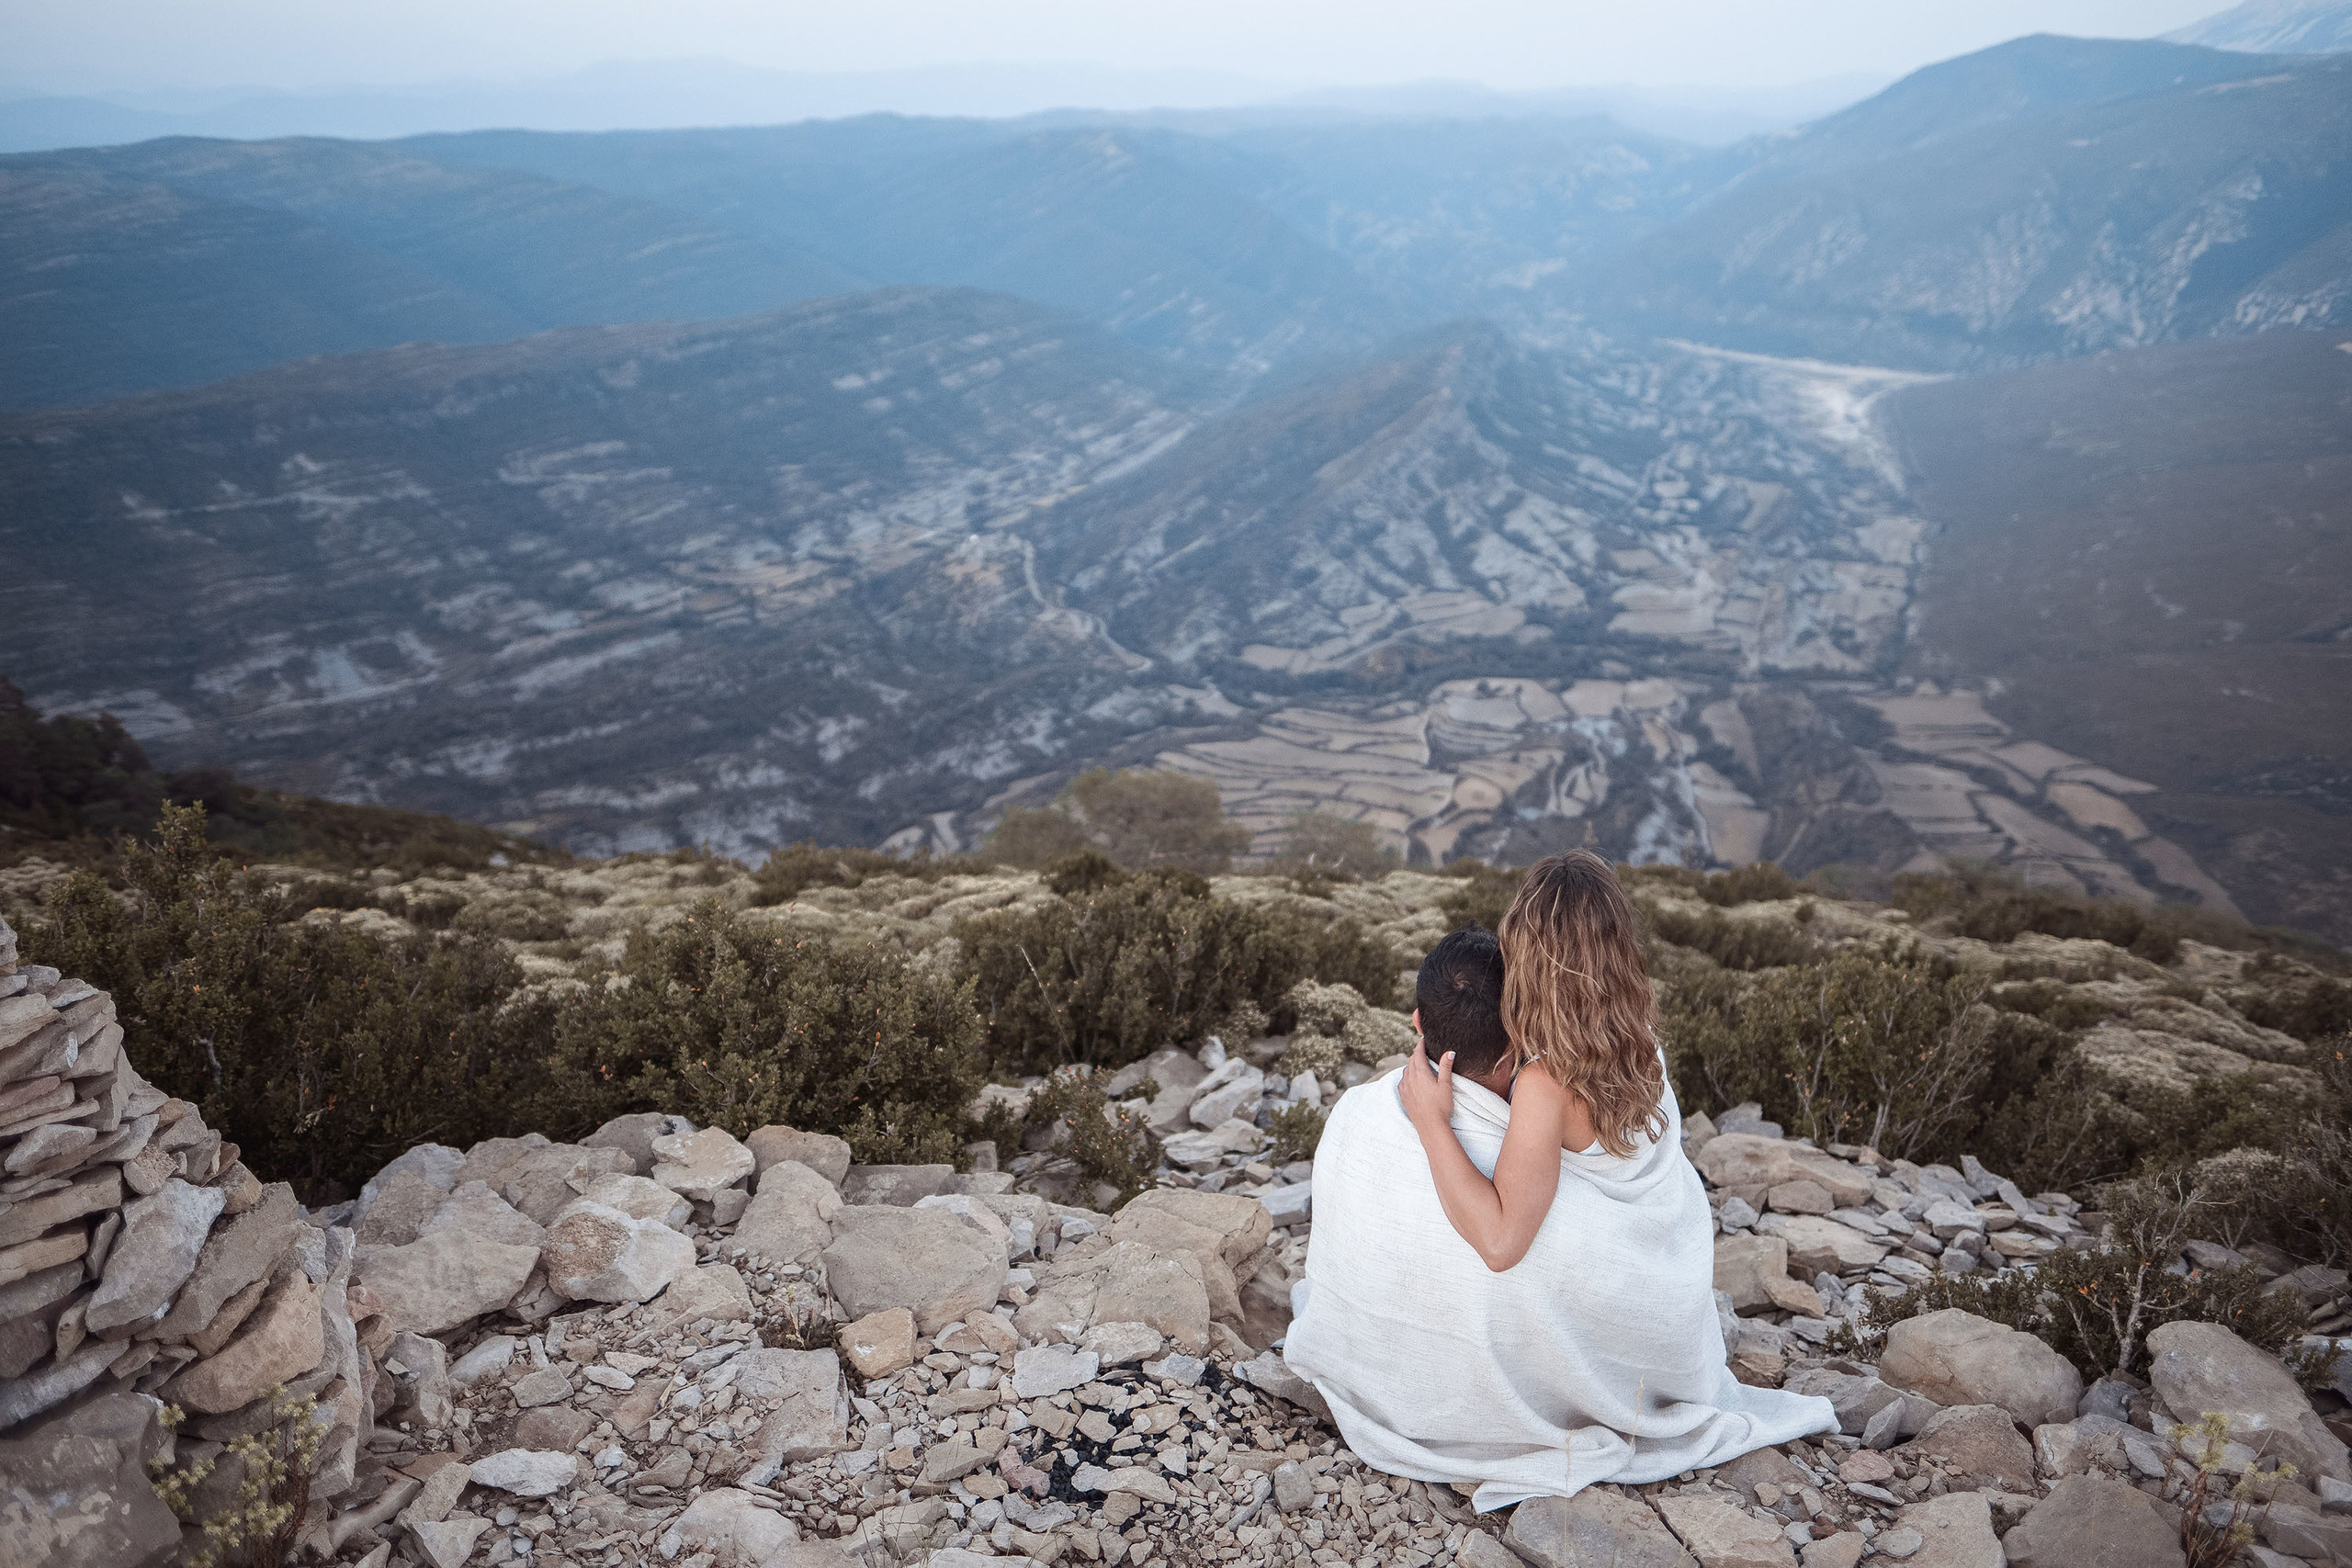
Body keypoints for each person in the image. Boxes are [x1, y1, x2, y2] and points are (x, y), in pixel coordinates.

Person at [1282, 852, 1833, 1509]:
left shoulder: (1546, 1080)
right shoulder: (1637, 1036)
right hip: (1669, 1289)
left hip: (1623, 1319)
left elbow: (1502, 1241)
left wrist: (1432, 1122)